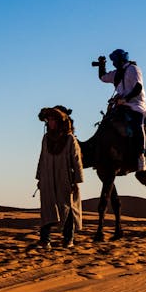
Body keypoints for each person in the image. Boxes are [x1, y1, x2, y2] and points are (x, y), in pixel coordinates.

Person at [36, 106, 84, 249]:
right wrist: (39, 178)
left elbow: (77, 161)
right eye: (49, 120)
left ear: (60, 121)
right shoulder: (46, 138)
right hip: (47, 179)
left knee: (67, 208)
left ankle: (68, 239)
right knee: (47, 208)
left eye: (53, 120)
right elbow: (42, 158)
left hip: (65, 178)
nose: (50, 122)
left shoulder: (70, 139)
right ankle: (45, 240)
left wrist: (76, 181)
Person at [96, 48, 146, 171]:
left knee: (137, 126)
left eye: (114, 60)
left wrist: (125, 99)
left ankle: (141, 156)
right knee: (106, 122)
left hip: (135, 105)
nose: (113, 63)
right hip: (120, 106)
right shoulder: (117, 73)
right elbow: (103, 77)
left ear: (120, 60)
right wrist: (101, 64)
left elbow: (138, 88)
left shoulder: (133, 69)